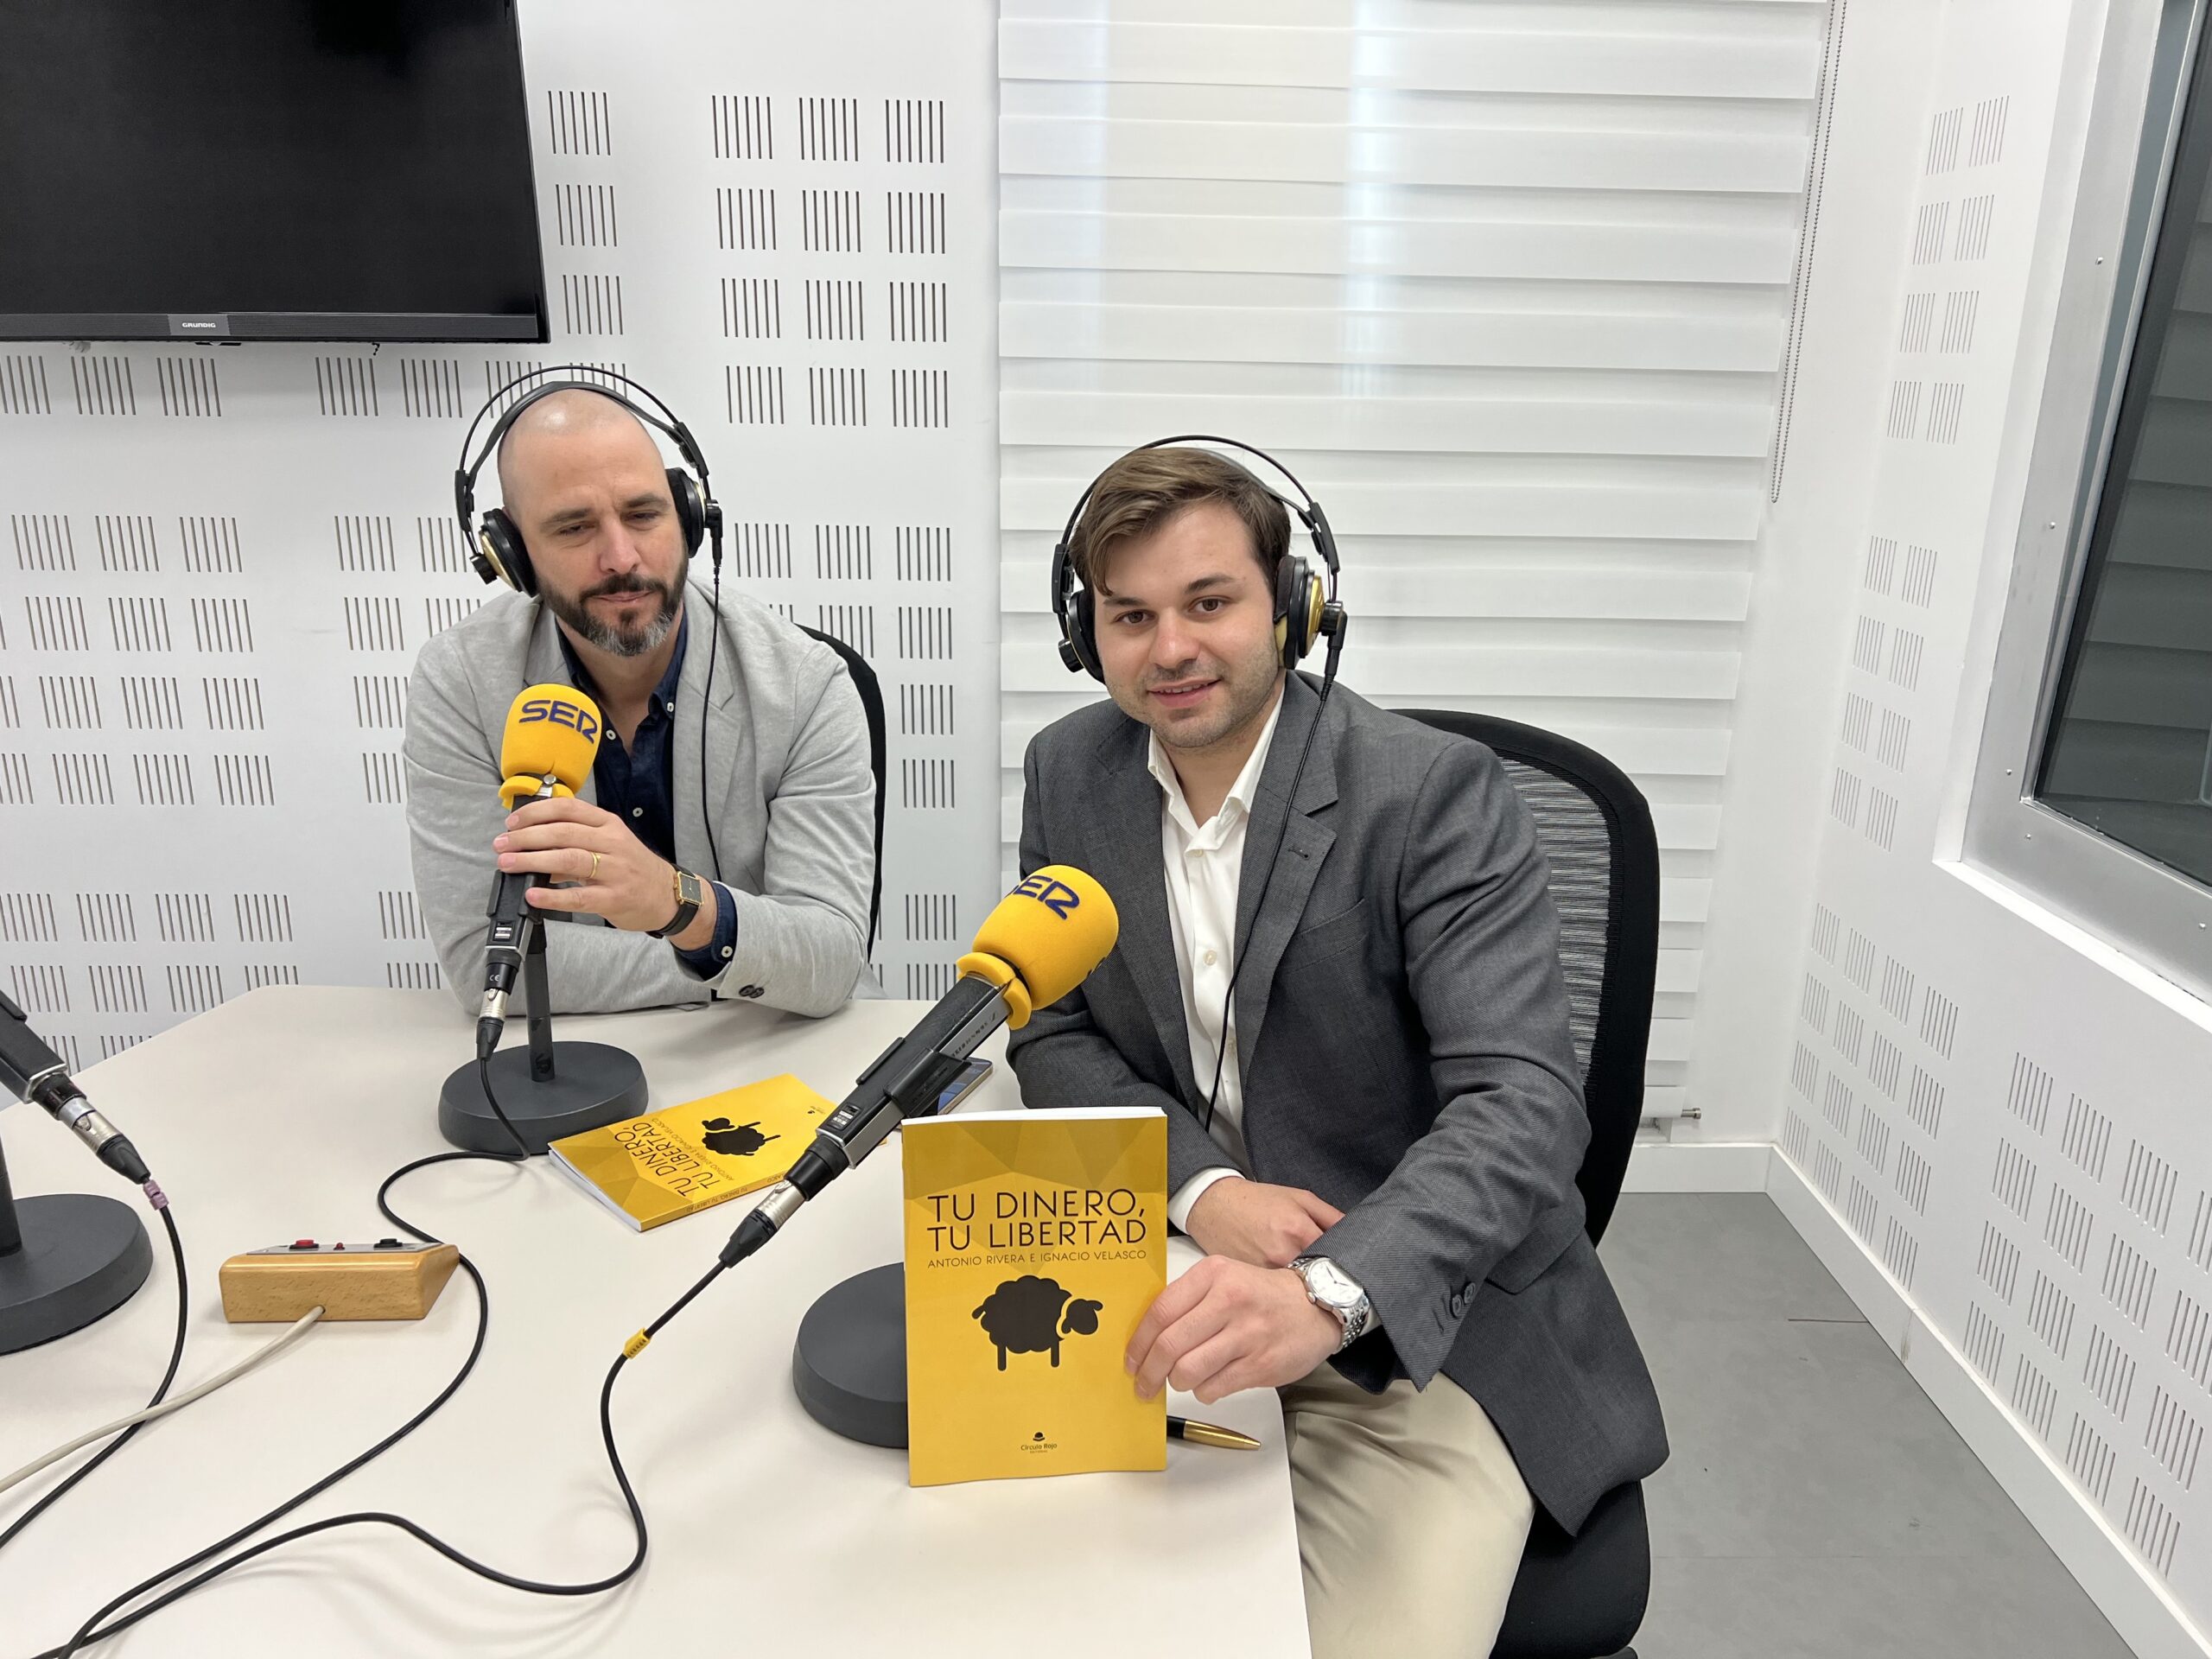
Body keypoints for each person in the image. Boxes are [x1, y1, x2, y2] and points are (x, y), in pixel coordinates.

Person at [1006, 445, 1666, 1659]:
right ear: (1083, 632)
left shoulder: (1431, 793)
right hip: (1169, 1283)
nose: (1170, 650)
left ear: (1293, 608)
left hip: (1417, 1330)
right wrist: (1204, 1190)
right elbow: (1053, 1031)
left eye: (1209, 602)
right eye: (1131, 616)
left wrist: (1328, 1290)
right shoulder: (1070, 773)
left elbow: (1522, 1102)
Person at [404, 386, 875, 1018]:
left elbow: (830, 961)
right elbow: (485, 965)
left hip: (766, 1046)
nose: (621, 558)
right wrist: (734, 952)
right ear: (512, 555)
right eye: (574, 527)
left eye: (644, 514)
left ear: (688, 517)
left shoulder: (804, 683)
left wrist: (674, 905)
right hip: (579, 1055)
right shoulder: (461, 683)